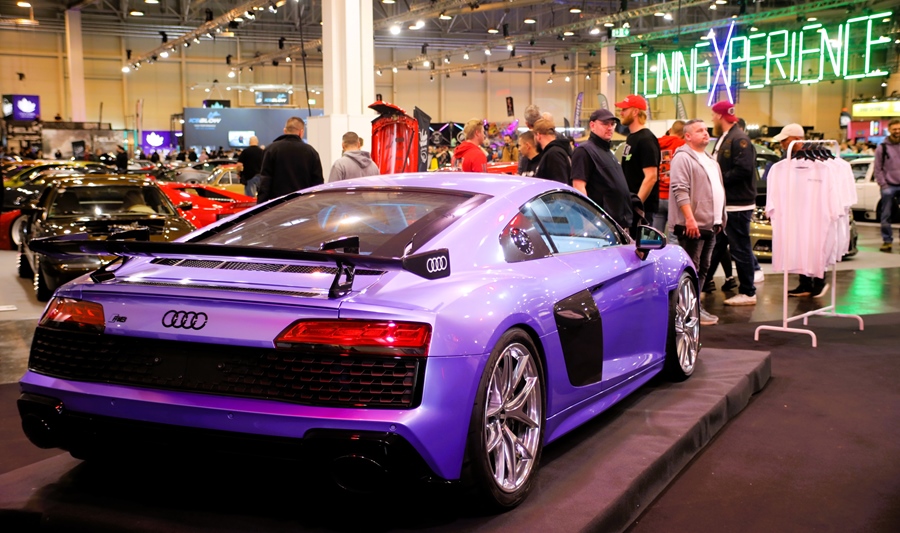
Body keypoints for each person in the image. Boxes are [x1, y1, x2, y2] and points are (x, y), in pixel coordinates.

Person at [669, 119, 727, 325]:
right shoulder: (682, 158)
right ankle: (687, 312)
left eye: (706, 130)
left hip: (710, 224)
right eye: (700, 130)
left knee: (703, 268)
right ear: (688, 136)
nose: (705, 133)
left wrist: (720, 218)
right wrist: (689, 218)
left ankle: (695, 308)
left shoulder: (710, 159)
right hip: (693, 225)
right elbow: (680, 189)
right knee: (691, 269)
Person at [763, 123, 828, 297]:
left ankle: (819, 282)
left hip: (814, 209)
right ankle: (805, 283)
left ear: (798, 139)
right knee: (799, 245)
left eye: (785, 140)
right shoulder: (785, 160)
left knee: (815, 244)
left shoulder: (820, 158)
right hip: (795, 208)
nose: (782, 144)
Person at [711, 100, 757, 306]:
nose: (712, 119)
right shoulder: (727, 137)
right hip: (729, 203)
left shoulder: (738, 139)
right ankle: (700, 285)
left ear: (720, 116)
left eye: (713, 115)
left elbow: (744, 169)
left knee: (740, 248)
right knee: (717, 246)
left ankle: (748, 292)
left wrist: (719, 179)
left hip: (737, 205)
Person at [570, 108, 633, 230]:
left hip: (617, 223)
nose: (610, 128)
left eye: (612, 124)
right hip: (599, 224)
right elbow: (578, 187)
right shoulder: (584, 151)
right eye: (605, 124)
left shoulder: (607, 152)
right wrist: (587, 220)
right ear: (592, 125)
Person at [615, 94, 660, 227]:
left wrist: (637, 204)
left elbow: (651, 177)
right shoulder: (631, 137)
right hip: (630, 206)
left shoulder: (646, 139)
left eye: (625, 109)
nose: (621, 113)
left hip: (643, 209)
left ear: (635, 112)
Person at [257, 117, 324, 202]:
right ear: (301, 132)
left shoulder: (270, 150)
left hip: (278, 205)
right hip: (303, 204)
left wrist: (261, 204)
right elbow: (317, 183)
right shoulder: (311, 152)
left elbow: (265, 182)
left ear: (285, 131)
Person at [656, 120, 686, 239]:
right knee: (675, 238)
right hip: (675, 197)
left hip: (657, 196)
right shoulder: (683, 145)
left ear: (670, 130)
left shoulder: (655, 143)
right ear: (684, 134)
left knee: (655, 237)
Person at [874, 119, 900, 253]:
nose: (897, 131)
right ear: (889, 130)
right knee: (886, 215)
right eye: (894, 129)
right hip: (888, 185)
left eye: (899, 129)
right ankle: (887, 241)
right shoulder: (882, 148)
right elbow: (877, 168)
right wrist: (883, 185)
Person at [531, 117, 571, 184]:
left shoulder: (554, 154)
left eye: (534, 136)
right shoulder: (556, 151)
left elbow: (559, 184)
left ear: (538, 135)